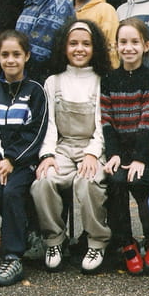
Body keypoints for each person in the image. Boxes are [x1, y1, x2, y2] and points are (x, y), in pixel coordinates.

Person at [0, 30, 49, 287]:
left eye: (16, 54)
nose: (11, 60)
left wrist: (12, 160)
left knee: (13, 193)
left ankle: (13, 256)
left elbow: (35, 132)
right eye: (5, 55)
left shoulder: (36, 91)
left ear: (27, 56)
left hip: (23, 164)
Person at [31, 19, 113, 273]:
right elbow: (49, 124)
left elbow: (102, 124)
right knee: (43, 181)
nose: (79, 49)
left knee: (88, 182)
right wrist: (47, 155)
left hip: (93, 147)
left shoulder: (101, 80)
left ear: (95, 47)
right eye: (73, 43)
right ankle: (54, 239)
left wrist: (92, 153)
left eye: (86, 44)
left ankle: (96, 241)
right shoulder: (53, 81)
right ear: (63, 47)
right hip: (63, 146)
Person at [102, 18, 149, 275]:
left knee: (140, 183)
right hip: (119, 151)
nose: (128, 47)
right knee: (115, 182)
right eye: (123, 42)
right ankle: (126, 241)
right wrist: (114, 154)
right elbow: (106, 122)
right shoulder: (108, 79)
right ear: (115, 46)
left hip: (144, 152)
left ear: (146, 45)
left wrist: (139, 158)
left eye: (134, 42)